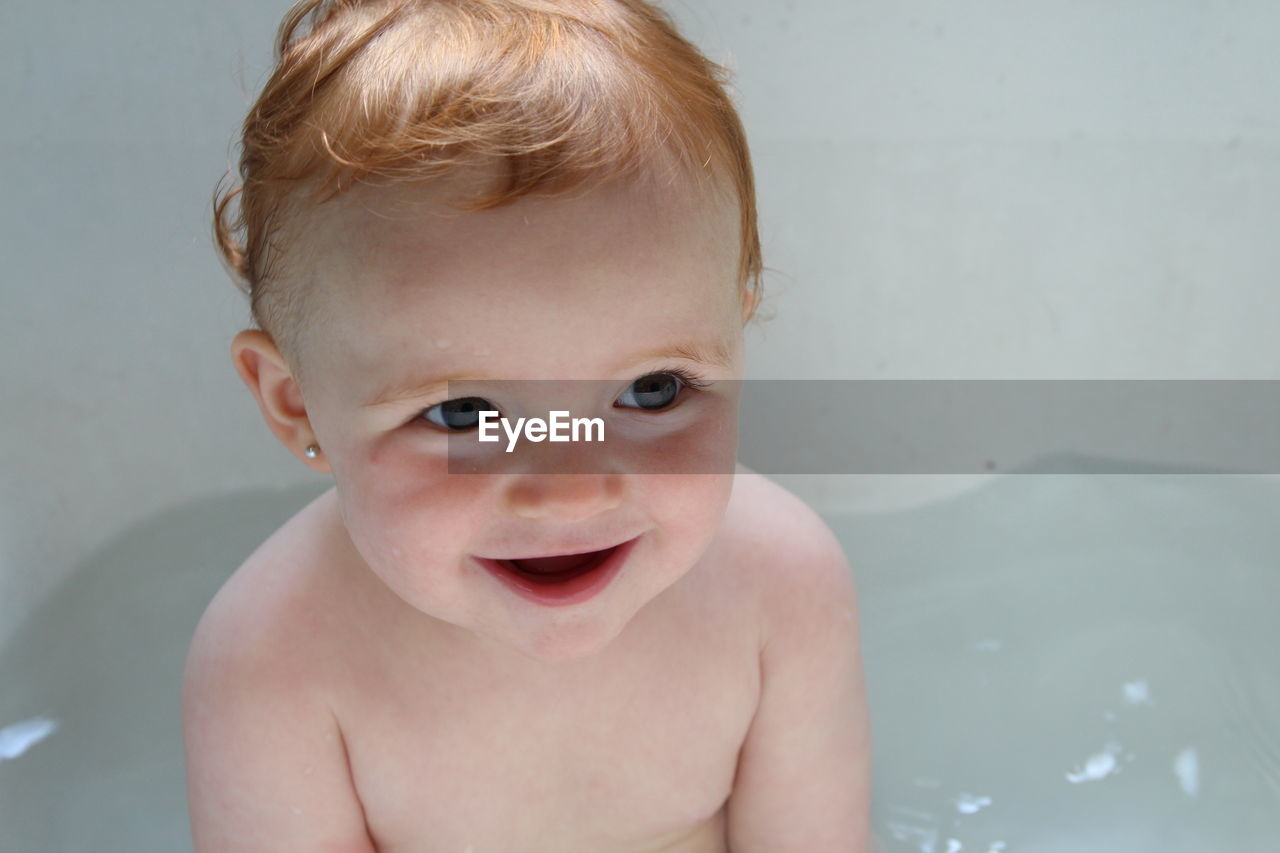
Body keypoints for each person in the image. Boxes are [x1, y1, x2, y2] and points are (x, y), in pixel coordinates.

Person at [181, 0, 871, 849]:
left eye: (653, 389)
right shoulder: (275, 660)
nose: (570, 487)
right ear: (297, 403)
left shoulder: (783, 589)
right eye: (464, 413)